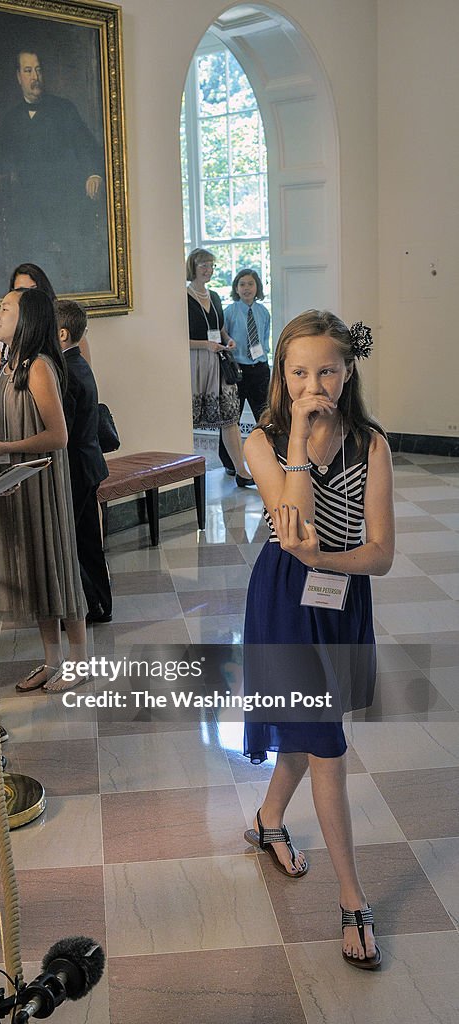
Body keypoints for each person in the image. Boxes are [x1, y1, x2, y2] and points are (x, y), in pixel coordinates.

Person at [241, 310, 393, 970]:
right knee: (324, 740)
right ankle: (353, 900)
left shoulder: (371, 445)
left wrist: (328, 562)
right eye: (297, 371)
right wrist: (298, 442)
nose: (312, 383)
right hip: (282, 603)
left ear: (348, 369)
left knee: (305, 731)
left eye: (326, 369)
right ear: (281, 375)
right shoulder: (260, 442)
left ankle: (268, 820)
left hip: (339, 598)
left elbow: (381, 554)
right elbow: (293, 527)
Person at [0, 288, 88, 693]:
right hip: (15, 484)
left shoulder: (39, 367)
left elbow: (58, 436)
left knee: (57, 566)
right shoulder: (6, 366)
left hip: (42, 482)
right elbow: (10, 426)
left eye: (5, 308)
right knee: (36, 573)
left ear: (26, 318)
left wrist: (3, 448)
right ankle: (52, 660)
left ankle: (78, 663)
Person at [0, 50, 108, 294]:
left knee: (73, 256)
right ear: (19, 77)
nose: (35, 77)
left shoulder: (64, 110)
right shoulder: (13, 118)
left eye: (38, 70)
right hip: (29, 207)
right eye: (28, 71)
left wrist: (94, 174)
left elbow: (86, 144)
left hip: (66, 202)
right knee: (31, 256)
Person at [56, 299, 111, 624]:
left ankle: (91, 604)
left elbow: (63, 428)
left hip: (76, 466)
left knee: (78, 540)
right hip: (88, 462)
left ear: (62, 334)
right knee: (88, 540)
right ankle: (100, 604)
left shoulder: (66, 373)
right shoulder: (78, 363)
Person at [186, 248, 254, 487]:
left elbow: (221, 329)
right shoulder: (182, 297)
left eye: (211, 266)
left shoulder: (214, 296)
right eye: (204, 265)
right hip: (196, 364)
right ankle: (187, 476)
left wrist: (228, 341)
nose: (208, 270)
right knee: (191, 420)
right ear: (193, 267)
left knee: (230, 417)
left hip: (219, 363)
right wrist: (206, 345)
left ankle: (241, 470)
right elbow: (177, 339)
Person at [0, 263, 91, 377]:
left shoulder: (63, 322)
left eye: (33, 289)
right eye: (20, 290)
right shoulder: (2, 330)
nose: (29, 296)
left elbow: (82, 373)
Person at [221, 268, 271, 471]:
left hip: (259, 369)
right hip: (238, 371)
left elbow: (265, 336)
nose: (246, 288)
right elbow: (224, 336)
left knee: (266, 416)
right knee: (232, 417)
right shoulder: (230, 312)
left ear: (257, 287)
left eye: (250, 284)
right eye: (242, 284)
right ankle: (230, 463)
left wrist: (263, 355)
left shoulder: (262, 311)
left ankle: (269, 456)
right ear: (236, 288)